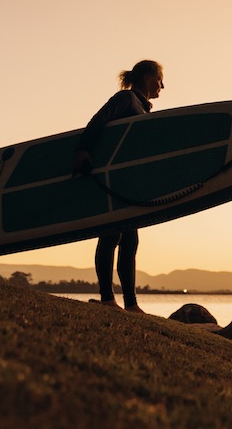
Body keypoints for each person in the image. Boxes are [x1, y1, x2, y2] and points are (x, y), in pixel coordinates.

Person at [73, 60, 164, 314]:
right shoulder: (126, 99)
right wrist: (83, 150)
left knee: (130, 239)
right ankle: (106, 298)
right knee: (112, 234)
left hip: (130, 183)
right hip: (111, 180)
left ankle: (131, 304)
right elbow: (97, 121)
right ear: (147, 78)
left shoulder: (143, 110)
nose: (162, 85)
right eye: (159, 79)